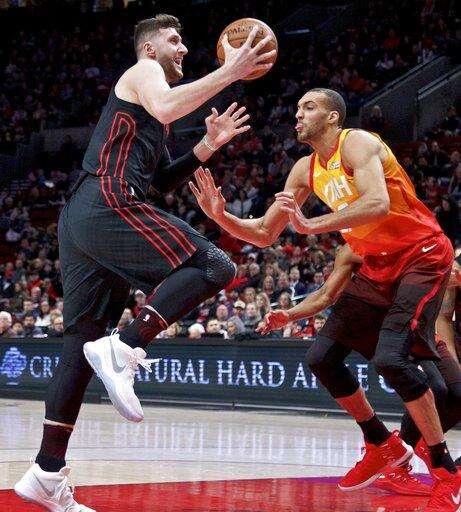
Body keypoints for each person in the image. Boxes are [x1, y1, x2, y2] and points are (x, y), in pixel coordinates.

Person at [14, 14, 276, 512]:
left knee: (80, 346)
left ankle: (45, 473)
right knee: (215, 265)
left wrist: (207, 146)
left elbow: (157, 185)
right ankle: (127, 347)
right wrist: (231, 72)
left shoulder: (154, 116)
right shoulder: (144, 72)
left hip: (84, 216)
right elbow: (165, 105)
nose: (184, 48)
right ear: (150, 49)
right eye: (175, 40)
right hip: (107, 200)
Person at [190, 87, 460, 509]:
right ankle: (382, 443)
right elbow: (264, 233)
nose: (298, 114)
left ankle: (446, 472)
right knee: (321, 357)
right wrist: (220, 216)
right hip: (377, 264)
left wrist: (310, 225)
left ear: (333, 117)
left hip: (421, 254)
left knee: (392, 359)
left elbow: (376, 203)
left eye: (309, 107)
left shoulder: (358, 143)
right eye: (297, 107)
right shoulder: (304, 169)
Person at [258, 243, 461, 496]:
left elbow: (443, 299)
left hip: (418, 327)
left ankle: (416, 445)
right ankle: (399, 459)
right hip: (390, 327)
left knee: (456, 393)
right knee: (434, 388)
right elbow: (325, 295)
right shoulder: (353, 249)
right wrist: (290, 315)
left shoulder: (420, 244)